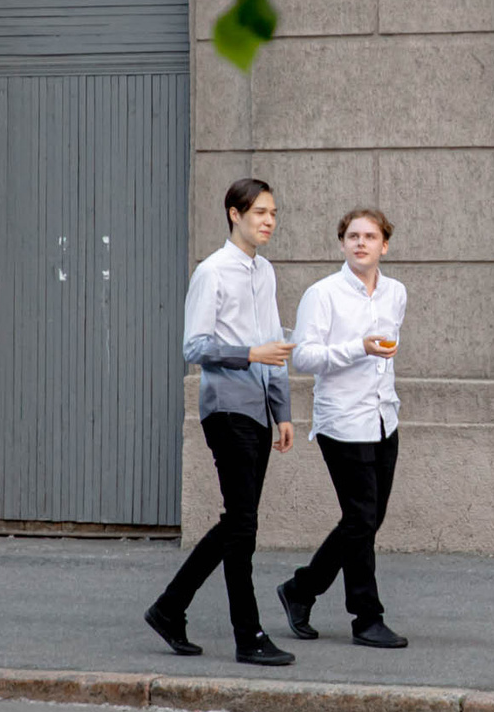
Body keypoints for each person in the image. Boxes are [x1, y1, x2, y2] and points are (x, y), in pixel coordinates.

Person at [146, 178, 296, 667]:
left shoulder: (265, 272)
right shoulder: (212, 272)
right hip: (225, 407)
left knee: (239, 524)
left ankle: (172, 608)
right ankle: (247, 634)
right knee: (242, 524)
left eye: (273, 213)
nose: (269, 221)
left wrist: (283, 411)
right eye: (259, 213)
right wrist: (247, 353)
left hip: (257, 410)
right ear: (235, 214)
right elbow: (194, 347)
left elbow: (274, 342)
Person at [276, 207, 409, 649]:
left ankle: (301, 589)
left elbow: (388, 350)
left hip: (382, 417)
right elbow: (304, 356)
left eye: (370, 236)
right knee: (362, 517)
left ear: (384, 245)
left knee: (366, 519)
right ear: (342, 244)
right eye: (352, 236)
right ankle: (366, 617)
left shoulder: (395, 293)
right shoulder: (324, 294)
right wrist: (358, 348)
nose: (360, 243)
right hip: (342, 421)